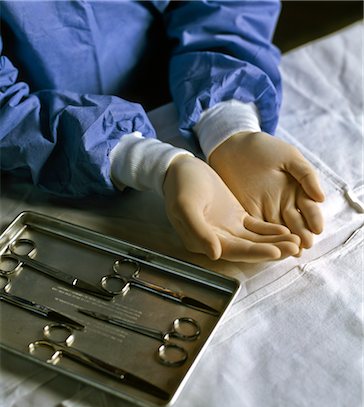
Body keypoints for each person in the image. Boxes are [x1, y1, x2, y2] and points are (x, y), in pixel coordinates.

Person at [0, 0, 324, 262]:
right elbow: (7, 111)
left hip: (182, 92)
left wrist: (228, 122)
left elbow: (229, 7)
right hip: (37, 165)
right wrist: (144, 160)